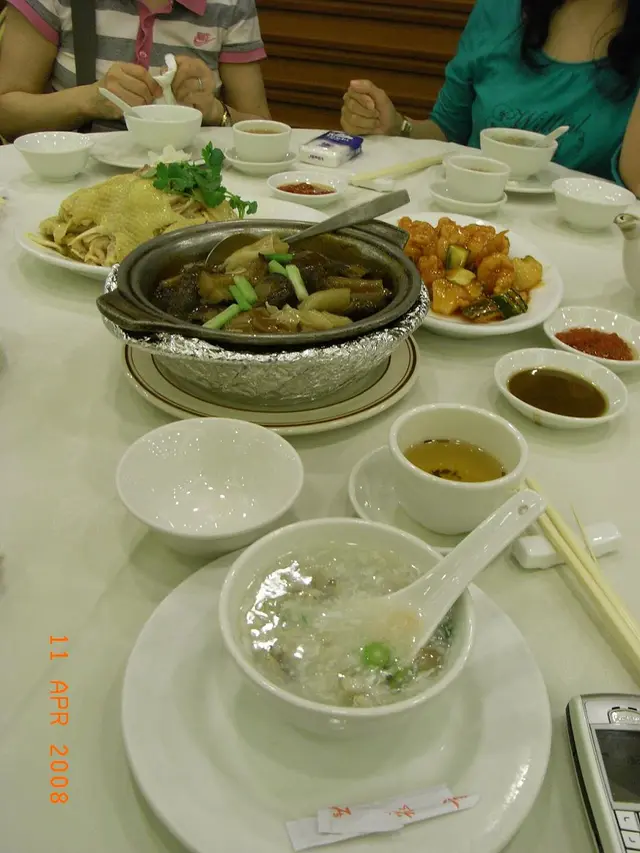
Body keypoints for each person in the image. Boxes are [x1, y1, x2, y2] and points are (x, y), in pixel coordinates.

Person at [340, 0, 640, 194]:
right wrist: (396, 126)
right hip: (472, 215)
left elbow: (634, 185)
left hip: (585, 243)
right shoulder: (500, 10)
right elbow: (448, 131)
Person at [0, 0, 271, 139]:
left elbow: (264, 131)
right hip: (69, 184)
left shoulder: (230, 6)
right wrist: (90, 100)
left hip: (189, 188)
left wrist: (213, 111)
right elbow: (5, 113)